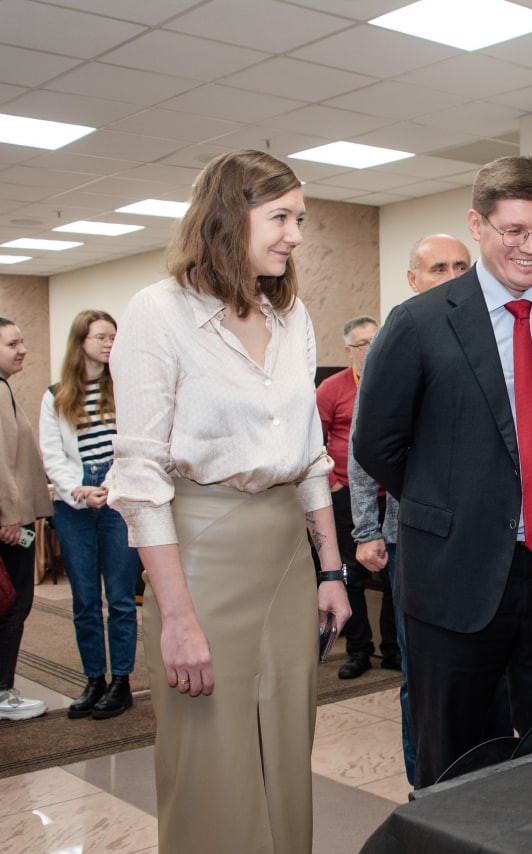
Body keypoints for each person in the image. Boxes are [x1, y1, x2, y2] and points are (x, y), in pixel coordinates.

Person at [105, 149, 351, 853]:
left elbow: (310, 457)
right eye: (280, 217)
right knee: (210, 760)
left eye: (299, 219)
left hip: (286, 556)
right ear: (226, 217)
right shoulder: (159, 312)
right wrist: (177, 618)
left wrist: (331, 570)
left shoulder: (292, 316)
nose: (295, 235)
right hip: (201, 556)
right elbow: (141, 478)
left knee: (287, 746)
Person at [353, 155, 532, 788]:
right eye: (514, 230)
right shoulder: (418, 323)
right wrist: (453, 501)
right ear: (477, 225)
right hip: (455, 574)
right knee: (457, 761)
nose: (531, 246)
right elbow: (377, 443)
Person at [348, 233, 477, 782]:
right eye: (437, 268)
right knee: (422, 672)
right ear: (413, 279)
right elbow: (366, 446)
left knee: (479, 671)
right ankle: (424, 785)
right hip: (413, 536)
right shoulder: (400, 336)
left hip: (483, 536)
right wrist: (367, 529)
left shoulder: (489, 331)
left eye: (460, 266)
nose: (451, 278)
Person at [39, 310, 140, 719]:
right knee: (84, 600)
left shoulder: (126, 388)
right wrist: (78, 492)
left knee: (120, 599)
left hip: (118, 500)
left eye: (113, 336)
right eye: (101, 337)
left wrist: (109, 488)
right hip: (74, 505)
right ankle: (94, 679)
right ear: (80, 341)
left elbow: (132, 445)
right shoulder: (55, 395)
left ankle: (121, 682)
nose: (109, 343)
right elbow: (52, 455)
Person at [318, 314, 399, 680]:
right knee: (351, 575)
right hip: (347, 496)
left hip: (392, 497)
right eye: (362, 343)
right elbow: (312, 441)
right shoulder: (331, 389)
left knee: (394, 573)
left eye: (376, 340)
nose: (370, 348)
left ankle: (393, 648)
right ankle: (359, 650)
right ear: (348, 350)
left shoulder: (395, 381)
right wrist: (332, 483)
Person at [0, 317, 53, 721]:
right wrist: (8, 516)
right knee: (12, 606)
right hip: (10, 523)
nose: (23, 350)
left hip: (12, 517)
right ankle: (3, 692)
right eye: (12, 344)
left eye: (22, 342)